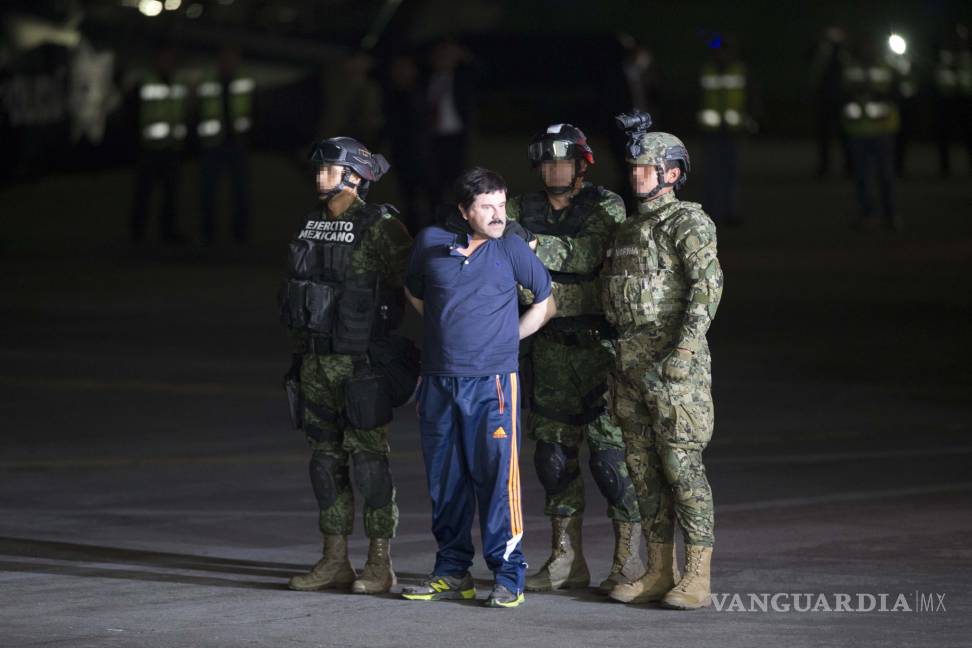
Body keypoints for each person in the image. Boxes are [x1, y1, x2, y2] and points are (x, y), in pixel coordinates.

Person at [402, 167, 555, 608]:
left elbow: (545, 302)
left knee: (497, 481)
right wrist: (443, 325)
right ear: (464, 210)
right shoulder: (430, 242)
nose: (498, 215)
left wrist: (507, 338)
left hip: (493, 383)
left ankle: (508, 576)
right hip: (438, 381)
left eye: (502, 205)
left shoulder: (511, 247)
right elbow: (415, 291)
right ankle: (452, 572)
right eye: (487, 207)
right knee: (445, 481)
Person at [505, 124, 643, 594]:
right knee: (552, 459)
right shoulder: (520, 207)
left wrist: (531, 254)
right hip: (548, 353)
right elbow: (494, 243)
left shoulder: (606, 205)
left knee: (610, 460)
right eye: (547, 162)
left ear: (582, 166)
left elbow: (587, 256)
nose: (555, 171)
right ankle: (566, 559)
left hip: (599, 352)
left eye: (564, 162)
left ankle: (628, 561)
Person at [280, 136, 414, 595]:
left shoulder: (381, 226)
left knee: (370, 465)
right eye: (318, 169)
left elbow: (416, 284)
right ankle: (335, 559)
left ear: (355, 177)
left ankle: (380, 563)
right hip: (315, 362)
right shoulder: (311, 223)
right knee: (324, 463)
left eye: (330, 169)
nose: (320, 177)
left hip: (361, 365)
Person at [600, 126, 723, 610]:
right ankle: (657, 569)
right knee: (642, 471)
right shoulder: (628, 229)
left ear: (672, 174)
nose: (636, 175)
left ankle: (697, 575)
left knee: (680, 468)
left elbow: (707, 286)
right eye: (633, 167)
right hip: (629, 368)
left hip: (673, 370)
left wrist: (686, 350)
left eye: (646, 168)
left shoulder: (687, 222)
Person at [840, 35, 901, 230]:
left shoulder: (888, 66)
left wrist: (879, 94)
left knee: (885, 175)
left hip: (883, 129)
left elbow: (898, 91)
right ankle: (868, 215)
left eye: (871, 46)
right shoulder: (850, 68)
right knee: (862, 176)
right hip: (858, 129)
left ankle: (890, 215)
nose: (868, 50)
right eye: (864, 46)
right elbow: (842, 93)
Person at [196, 46, 254, 246]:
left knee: (241, 192)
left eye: (232, 59)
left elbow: (253, 109)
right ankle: (208, 233)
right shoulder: (207, 82)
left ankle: (240, 234)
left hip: (237, 143)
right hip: (213, 144)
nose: (229, 64)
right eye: (225, 59)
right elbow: (198, 111)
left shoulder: (245, 81)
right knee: (208, 192)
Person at [129, 45, 187, 245]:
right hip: (149, 149)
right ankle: (138, 233)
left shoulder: (178, 84)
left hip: (172, 148)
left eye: (170, 59)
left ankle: (168, 232)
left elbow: (182, 112)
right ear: (156, 61)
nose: (167, 63)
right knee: (143, 193)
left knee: (171, 194)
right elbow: (133, 113)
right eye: (163, 59)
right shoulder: (145, 83)